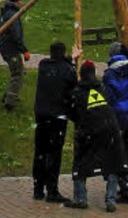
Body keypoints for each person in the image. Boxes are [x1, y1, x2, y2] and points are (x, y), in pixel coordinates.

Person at [69, 59, 128, 213]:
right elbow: (110, 104)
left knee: (80, 163)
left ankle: (81, 198)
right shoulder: (102, 88)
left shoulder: (78, 92)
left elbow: (73, 113)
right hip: (110, 129)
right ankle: (110, 199)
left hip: (89, 131)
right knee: (112, 164)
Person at [32, 40, 78, 203]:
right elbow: (73, 84)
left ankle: (38, 188)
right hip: (57, 116)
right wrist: (73, 61)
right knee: (54, 153)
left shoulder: (43, 66)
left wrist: (70, 59)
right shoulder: (68, 70)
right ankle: (52, 190)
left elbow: (59, 66)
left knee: (40, 152)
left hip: (41, 115)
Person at [101, 41, 128, 202]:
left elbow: (109, 98)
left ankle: (125, 188)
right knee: (127, 149)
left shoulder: (109, 75)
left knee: (116, 152)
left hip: (116, 116)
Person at [0, 0, 29, 111]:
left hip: (5, 47)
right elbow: (16, 35)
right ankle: (10, 101)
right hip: (11, 49)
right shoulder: (13, 15)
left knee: (17, 70)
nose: (22, 3)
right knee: (18, 73)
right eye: (21, 0)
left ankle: (8, 95)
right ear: (16, 2)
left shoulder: (7, 12)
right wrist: (24, 50)